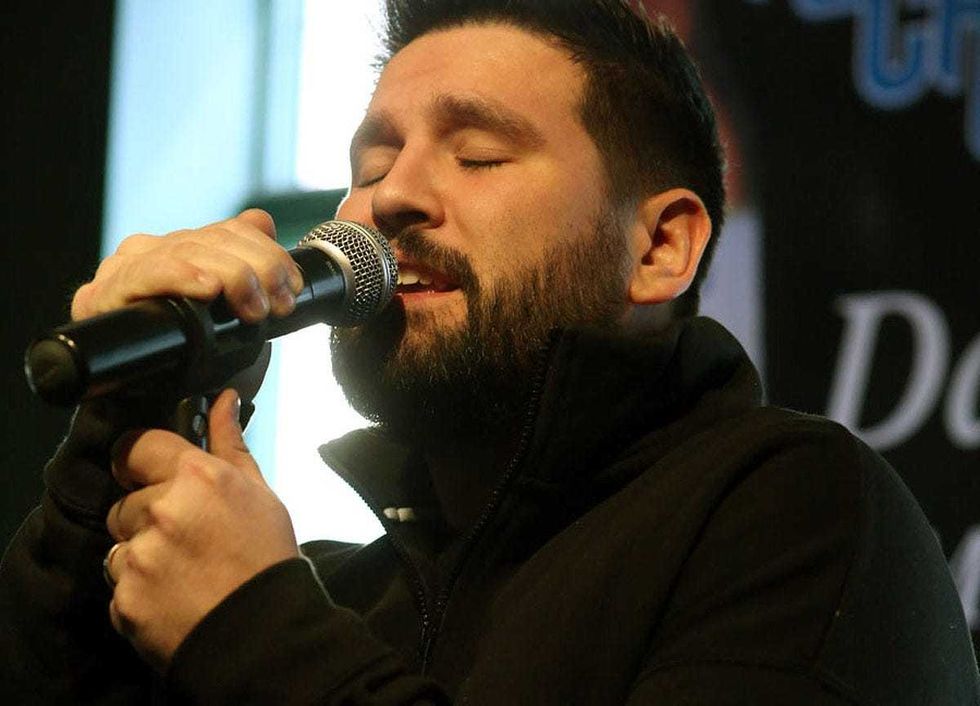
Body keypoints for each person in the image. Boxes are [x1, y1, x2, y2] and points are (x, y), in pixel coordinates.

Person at [2, 0, 978, 703]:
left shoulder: (798, 514)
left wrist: (257, 636)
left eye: (477, 155)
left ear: (658, 247)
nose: (391, 196)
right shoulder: (344, 596)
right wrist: (123, 427)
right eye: (371, 164)